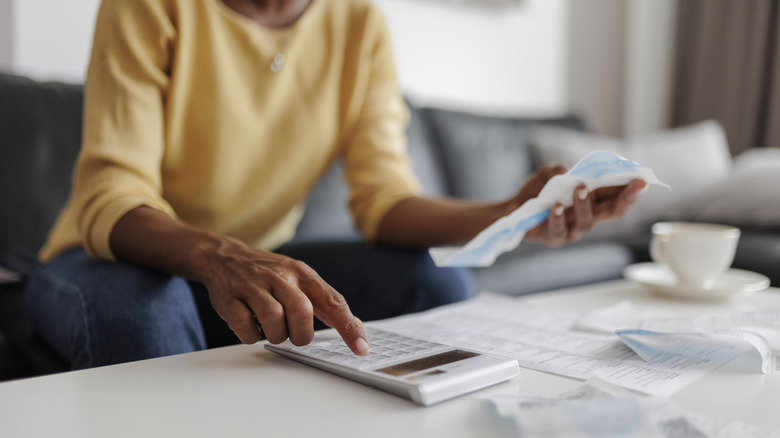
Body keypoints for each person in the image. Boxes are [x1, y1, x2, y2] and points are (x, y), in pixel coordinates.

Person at [25, 0, 647, 370]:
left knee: (438, 278)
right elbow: (114, 195)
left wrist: (510, 213)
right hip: (109, 254)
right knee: (144, 311)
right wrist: (219, 255)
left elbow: (384, 201)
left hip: (252, 265)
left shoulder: (358, 22)